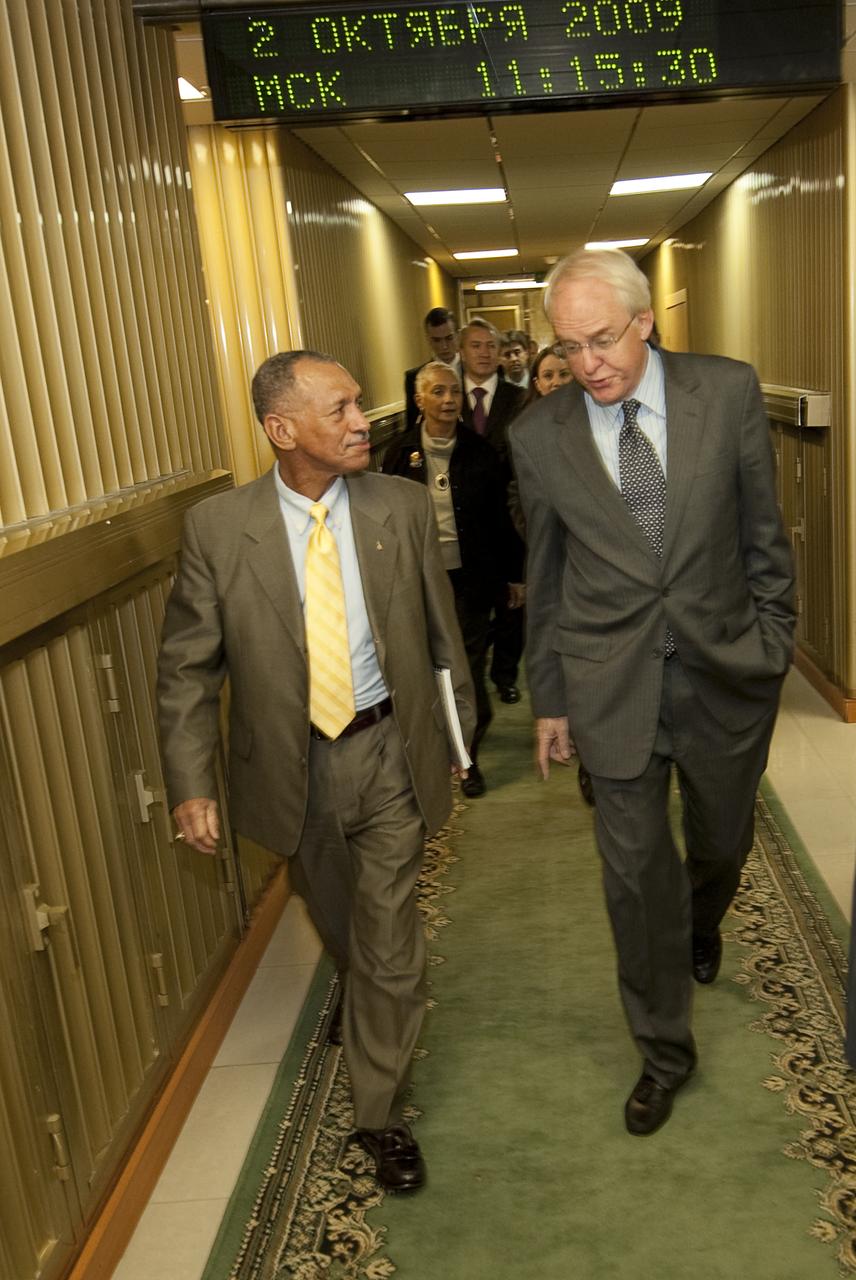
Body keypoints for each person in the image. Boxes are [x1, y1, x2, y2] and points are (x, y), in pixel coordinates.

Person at [157, 350, 475, 1192]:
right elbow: (187, 669)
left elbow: (442, 636)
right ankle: (360, 985)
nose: (362, 421)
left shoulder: (400, 507)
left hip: (388, 750)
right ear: (282, 428)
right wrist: (191, 784)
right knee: (338, 914)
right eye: (339, 409)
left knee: (391, 939)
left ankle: (379, 1113)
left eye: (358, 404)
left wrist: (458, 737)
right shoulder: (218, 530)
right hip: (290, 767)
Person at [510, 249, 796, 1136]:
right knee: (636, 881)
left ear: (645, 322)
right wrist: (549, 698)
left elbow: (763, 534)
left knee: (719, 844)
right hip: (610, 682)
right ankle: (664, 1052)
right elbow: (546, 577)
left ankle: (704, 920)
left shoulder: (727, 391)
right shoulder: (538, 435)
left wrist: (773, 644)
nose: (587, 363)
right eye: (569, 346)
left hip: (724, 672)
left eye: (602, 339)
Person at [383, 361, 524, 798]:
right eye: (438, 392)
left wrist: (514, 576)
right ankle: (433, 749)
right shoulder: (399, 454)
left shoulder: (480, 452)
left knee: (464, 665)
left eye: (454, 392)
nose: (448, 400)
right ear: (419, 400)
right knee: (427, 667)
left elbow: (501, 520)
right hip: (418, 579)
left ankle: (467, 757)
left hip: (472, 578)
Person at [459, 318, 526, 702]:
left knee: (512, 606)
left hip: (510, 517)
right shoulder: (449, 396)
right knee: (471, 610)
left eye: (490, 346)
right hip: (467, 524)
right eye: (476, 345)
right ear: (462, 351)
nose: (484, 353)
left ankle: (505, 675)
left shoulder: (518, 398)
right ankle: (474, 683)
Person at [404, 306, 460, 431]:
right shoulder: (414, 377)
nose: (444, 346)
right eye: (437, 340)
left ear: (458, 335)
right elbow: (412, 426)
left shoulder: (473, 370)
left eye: (449, 338)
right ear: (428, 339)